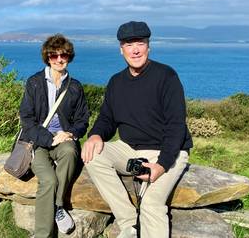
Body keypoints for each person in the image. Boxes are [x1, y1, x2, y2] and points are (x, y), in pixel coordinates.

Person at [82, 21, 193, 238]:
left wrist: (161, 166)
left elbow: (176, 126)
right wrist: (95, 135)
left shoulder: (166, 76)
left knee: (152, 203)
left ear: (148, 46)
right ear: (120, 49)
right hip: (129, 149)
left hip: (168, 151)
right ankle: (130, 224)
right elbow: (107, 118)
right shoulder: (116, 82)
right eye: (128, 44)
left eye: (140, 43)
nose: (135, 49)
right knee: (92, 155)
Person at [19, 34, 89, 237]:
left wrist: (71, 133)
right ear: (47, 57)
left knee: (69, 151)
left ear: (69, 57)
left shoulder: (75, 87)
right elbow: (27, 119)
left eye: (64, 55)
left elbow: (83, 119)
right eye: (54, 55)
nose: (59, 59)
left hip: (64, 138)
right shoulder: (34, 83)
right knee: (48, 181)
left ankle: (58, 206)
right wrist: (49, 139)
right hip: (38, 142)